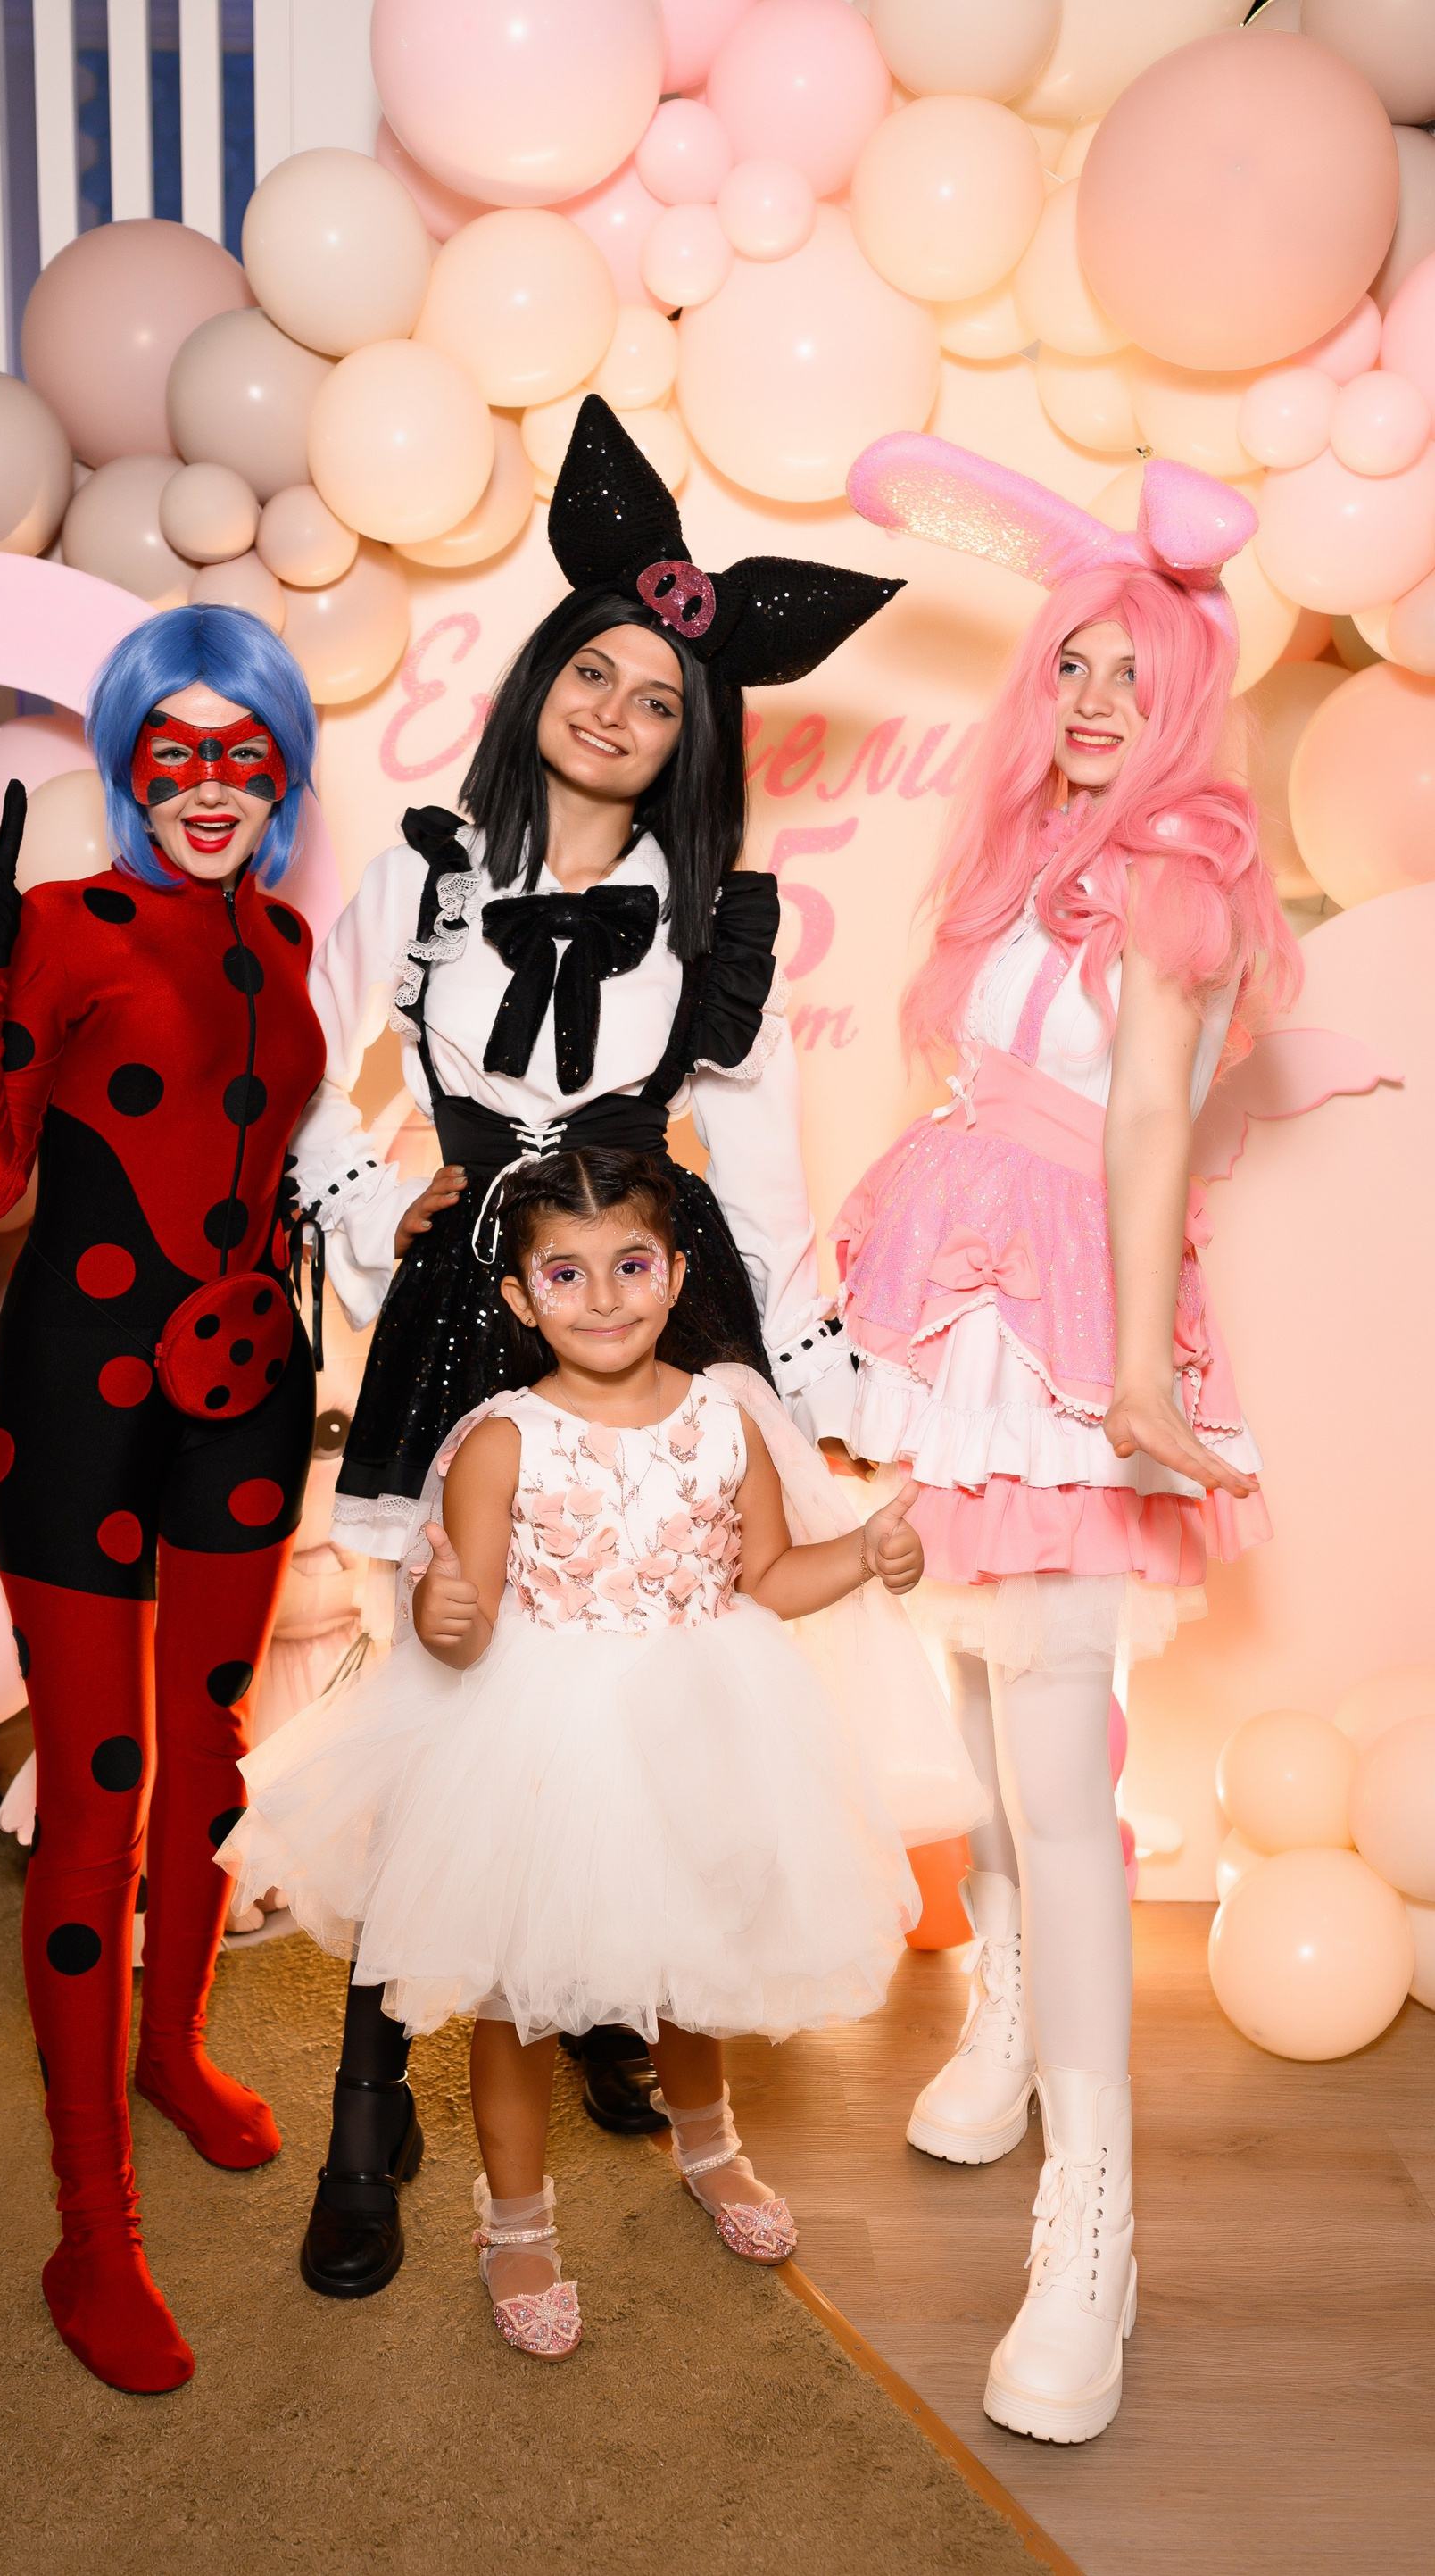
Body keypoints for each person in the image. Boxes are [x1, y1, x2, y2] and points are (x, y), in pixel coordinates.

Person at [283, 396, 908, 2290]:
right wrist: (363, 1205)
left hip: (643, 1297)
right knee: (446, 1694)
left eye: (661, 698)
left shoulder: (717, 924)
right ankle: (372, 2106)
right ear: (542, 674)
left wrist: (809, 1377)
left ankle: (619, 2001)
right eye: (596, 672)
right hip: (465, 1307)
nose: (620, 712)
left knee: (649, 1688)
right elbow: (312, 1071)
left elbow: (768, 1175)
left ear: (696, 738)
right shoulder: (424, 869)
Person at [834, 436, 1303, 2443]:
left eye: (1132, 669)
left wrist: (1133, 1379)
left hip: (1071, 1322)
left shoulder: (1184, 878)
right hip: (957, 1295)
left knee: (1052, 1738)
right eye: (1075, 664)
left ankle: (1094, 2225)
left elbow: (1149, 1122)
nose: (1097, 696)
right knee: (971, 1691)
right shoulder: (1023, 847)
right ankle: (1007, 2013)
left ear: (1188, 692)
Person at [217, 1147, 978, 2357]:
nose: (605, 1296)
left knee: (691, 1954)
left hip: (702, 1724)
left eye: (631, 1264)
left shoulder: (727, 1419)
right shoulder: (502, 1439)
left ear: (675, 1273)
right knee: (520, 1995)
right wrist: (443, 1615)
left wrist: (865, 1556)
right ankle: (515, 2219)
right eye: (566, 1274)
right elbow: (461, 1619)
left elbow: (769, 1578)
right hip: (543, 1741)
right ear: (521, 1299)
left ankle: (711, 2148)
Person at [0, 603, 327, 2395]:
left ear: (284, 767)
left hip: (249, 1387)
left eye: (246, 751)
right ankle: (91, 2226)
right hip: (81, 1399)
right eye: (175, 751)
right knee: (96, 1793)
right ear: (124, 763)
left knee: (213, 1754)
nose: (211, 786)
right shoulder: (63, 922)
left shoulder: (289, 934)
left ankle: (173, 2051)